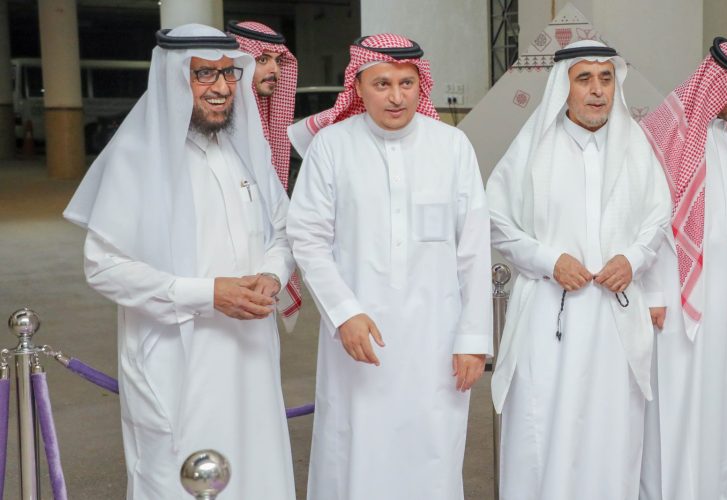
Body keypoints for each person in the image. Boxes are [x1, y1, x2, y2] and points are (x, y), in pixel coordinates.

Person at [63, 24, 295, 500]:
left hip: (251, 353)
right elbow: (103, 266)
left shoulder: (246, 151)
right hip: (175, 359)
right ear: (173, 79)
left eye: (229, 74)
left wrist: (273, 275)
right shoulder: (136, 158)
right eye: (204, 74)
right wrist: (209, 294)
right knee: (176, 478)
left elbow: (284, 231)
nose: (221, 88)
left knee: (257, 470)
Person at [286, 34, 492, 499]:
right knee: (356, 450)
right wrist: (344, 313)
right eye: (382, 84)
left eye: (406, 83)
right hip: (358, 338)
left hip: (436, 337)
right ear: (358, 86)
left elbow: (474, 248)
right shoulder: (332, 146)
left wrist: (473, 339)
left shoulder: (452, 145)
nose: (396, 96)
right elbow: (307, 237)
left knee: (432, 452)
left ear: (422, 85)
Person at [487, 40, 671, 500]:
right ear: (563, 86)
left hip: (615, 321)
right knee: (545, 428)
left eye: (605, 78)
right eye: (583, 78)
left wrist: (632, 259)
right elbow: (495, 220)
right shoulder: (532, 148)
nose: (597, 90)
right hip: (548, 316)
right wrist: (549, 261)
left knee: (612, 433)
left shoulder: (635, 146)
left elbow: (657, 218)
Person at [638, 37, 727, 500]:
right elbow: (649, 224)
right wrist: (653, 294)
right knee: (681, 397)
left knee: (725, 395)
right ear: (717, 84)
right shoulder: (667, 132)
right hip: (678, 291)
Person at [228, 19, 303, 331]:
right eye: (262, 60)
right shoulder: (218, 126)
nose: (274, 70)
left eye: (277, 61)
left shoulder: (260, 127)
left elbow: (281, 223)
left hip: (262, 274)